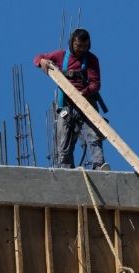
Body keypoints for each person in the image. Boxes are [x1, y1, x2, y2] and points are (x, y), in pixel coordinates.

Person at [33, 28, 109, 170]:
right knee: (64, 141)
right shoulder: (62, 56)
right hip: (66, 105)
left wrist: (83, 93)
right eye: (78, 46)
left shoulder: (91, 60)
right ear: (72, 43)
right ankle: (66, 169)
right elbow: (38, 57)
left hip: (86, 104)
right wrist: (42, 61)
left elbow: (95, 84)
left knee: (93, 136)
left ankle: (99, 166)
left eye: (85, 47)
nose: (81, 49)